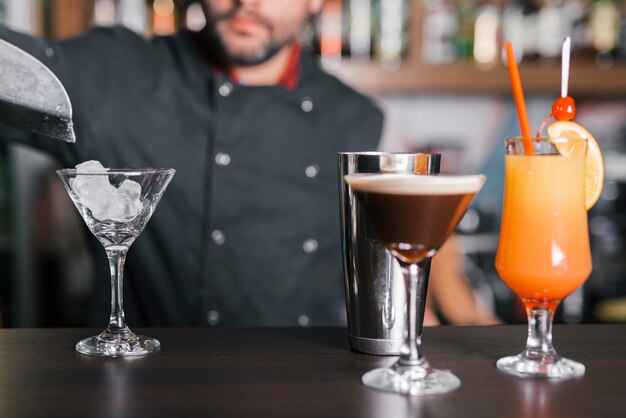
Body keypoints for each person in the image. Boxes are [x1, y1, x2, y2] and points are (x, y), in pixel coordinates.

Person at [0, 0, 497, 327]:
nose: (248, 3)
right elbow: (16, 70)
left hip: (311, 396)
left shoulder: (361, 121)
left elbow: (422, 256)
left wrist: (482, 338)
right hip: (150, 390)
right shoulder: (118, 75)